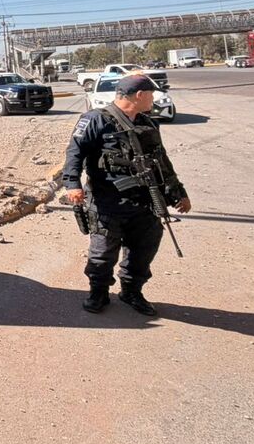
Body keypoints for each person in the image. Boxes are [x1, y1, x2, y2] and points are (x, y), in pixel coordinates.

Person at [63, 74, 192, 316]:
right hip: (107, 201)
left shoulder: (148, 123)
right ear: (139, 95)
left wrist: (178, 193)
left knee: (143, 250)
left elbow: (161, 160)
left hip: (144, 202)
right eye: (151, 95)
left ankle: (131, 291)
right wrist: (72, 184)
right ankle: (98, 292)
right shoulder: (96, 120)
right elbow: (75, 153)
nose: (153, 100)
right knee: (102, 253)